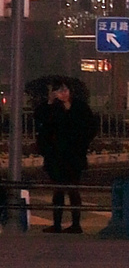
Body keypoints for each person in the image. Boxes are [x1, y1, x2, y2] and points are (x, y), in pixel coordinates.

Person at [37, 81, 97, 233]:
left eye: (65, 90)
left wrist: (81, 145)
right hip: (55, 155)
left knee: (72, 189)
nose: (63, 93)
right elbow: (40, 121)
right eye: (59, 90)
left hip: (73, 155)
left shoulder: (79, 107)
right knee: (58, 190)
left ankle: (76, 224)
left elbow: (89, 127)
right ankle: (56, 223)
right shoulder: (53, 107)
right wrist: (49, 102)